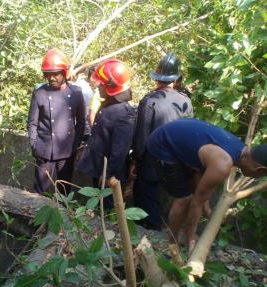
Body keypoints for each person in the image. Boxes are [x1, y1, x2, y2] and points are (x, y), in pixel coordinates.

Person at [147, 118, 267, 251]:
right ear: (260, 170)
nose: (257, 177)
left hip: (175, 139)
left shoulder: (238, 148)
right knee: (184, 198)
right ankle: (173, 242)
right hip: (162, 145)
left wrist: (207, 206)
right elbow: (197, 202)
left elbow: (201, 174)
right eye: (262, 175)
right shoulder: (222, 164)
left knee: (194, 195)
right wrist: (191, 237)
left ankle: (182, 235)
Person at [133, 52, 193, 230]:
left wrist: (136, 159)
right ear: (176, 78)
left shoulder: (150, 101)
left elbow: (141, 136)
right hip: (176, 160)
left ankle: (149, 229)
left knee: (145, 193)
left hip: (152, 160)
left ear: (157, 77)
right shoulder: (186, 101)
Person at [77, 58, 136, 209]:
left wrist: (108, 173)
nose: (98, 88)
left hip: (109, 173)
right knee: (98, 207)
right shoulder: (109, 104)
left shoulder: (124, 114)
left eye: (101, 84)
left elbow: (120, 150)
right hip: (97, 167)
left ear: (110, 86)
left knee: (108, 209)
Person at [28, 48, 86, 194]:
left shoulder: (76, 93)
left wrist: (76, 144)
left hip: (67, 151)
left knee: (64, 191)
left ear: (64, 73)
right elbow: (32, 122)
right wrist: (34, 144)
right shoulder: (40, 93)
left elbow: (81, 122)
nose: (52, 78)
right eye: (48, 75)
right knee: (40, 191)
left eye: (56, 74)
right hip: (44, 150)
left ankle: (64, 216)